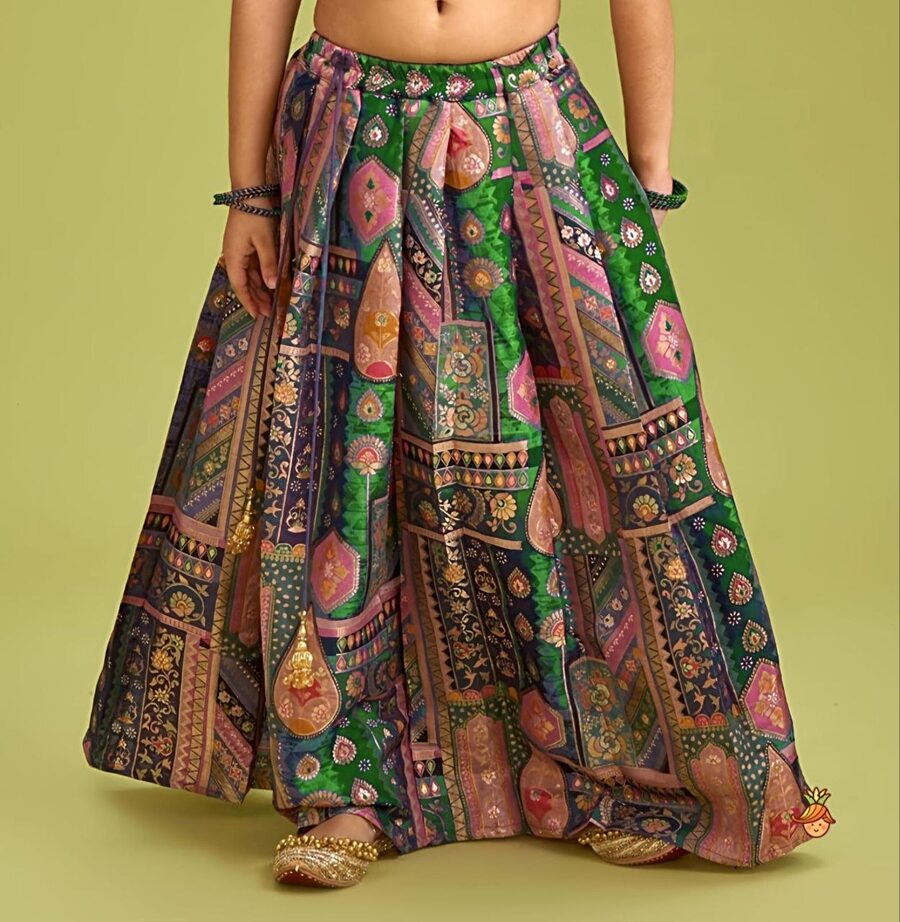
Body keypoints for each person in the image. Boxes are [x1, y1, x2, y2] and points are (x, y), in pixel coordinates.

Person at [82, 0, 834, 888]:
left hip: (526, 130)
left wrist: (651, 167)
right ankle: (346, 784)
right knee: (340, 459)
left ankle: (598, 762)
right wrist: (250, 192)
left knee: (584, 452)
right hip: (350, 128)